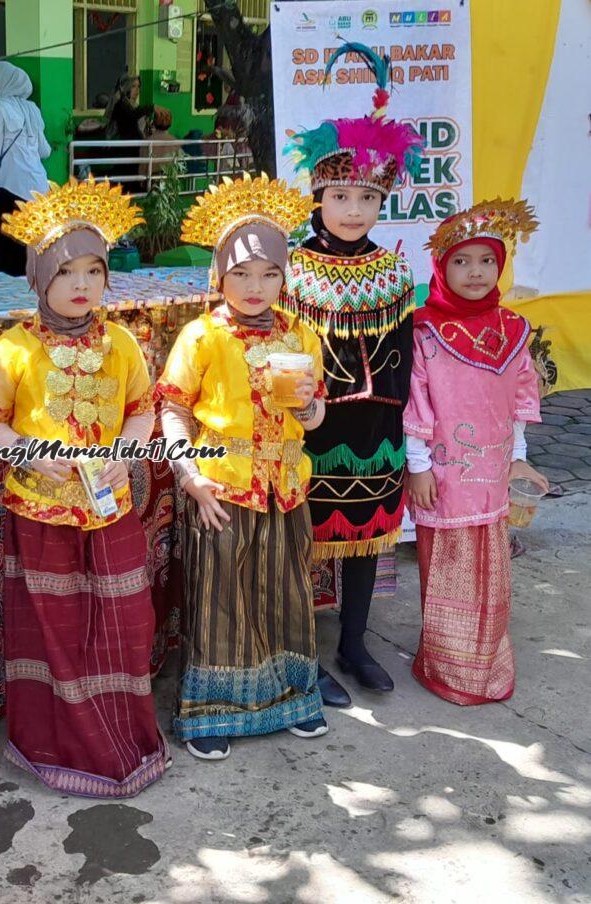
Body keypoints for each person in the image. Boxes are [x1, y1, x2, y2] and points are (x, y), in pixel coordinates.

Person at [0, 176, 170, 797]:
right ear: (38, 277)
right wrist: (32, 452)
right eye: (65, 272)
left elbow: (142, 408)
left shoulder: (123, 343)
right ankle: (55, 746)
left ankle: (120, 739)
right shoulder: (13, 349)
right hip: (43, 512)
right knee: (53, 626)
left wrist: (125, 452)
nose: (81, 285)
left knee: (122, 621)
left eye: (93, 271)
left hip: (111, 509)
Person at [156, 175, 328, 760]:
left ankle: (292, 700)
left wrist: (309, 407)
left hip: (284, 489)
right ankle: (209, 714)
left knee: (287, 596)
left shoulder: (300, 331)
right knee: (221, 603)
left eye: (270, 274)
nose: (256, 287)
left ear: (285, 276)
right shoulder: (201, 336)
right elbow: (174, 411)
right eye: (242, 274)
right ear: (219, 275)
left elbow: (317, 409)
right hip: (220, 491)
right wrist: (189, 477)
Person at [281, 44, 425, 706]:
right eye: (341, 195)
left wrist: (403, 427)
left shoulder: (395, 272)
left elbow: (406, 354)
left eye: (367, 197)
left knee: (369, 541)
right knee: (299, 543)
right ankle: (299, 654)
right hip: (308, 429)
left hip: (377, 429)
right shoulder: (288, 269)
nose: (354, 210)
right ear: (319, 195)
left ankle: (355, 644)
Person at [405, 199, 547, 705]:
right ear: (441, 268)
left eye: (487, 260)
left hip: (491, 474)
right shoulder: (424, 329)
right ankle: (448, 665)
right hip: (443, 476)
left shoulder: (513, 328)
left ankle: (486, 661)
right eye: (462, 261)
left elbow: (519, 398)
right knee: (446, 570)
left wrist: (518, 456)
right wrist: (418, 466)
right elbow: (416, 398)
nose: (476, 272)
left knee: (492, 572)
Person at [0, 61, 51, 276]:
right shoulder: (32, 109)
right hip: (38, 191)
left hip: (8, 192)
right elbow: (44, 150)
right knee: (29, 252)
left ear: (2, 82)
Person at [104, 75, 154, 192]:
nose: (137, 90)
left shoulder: (133, 105)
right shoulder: (121, 105)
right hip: (124, 152)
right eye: (133, 87)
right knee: (126, 186)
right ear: (125, 88)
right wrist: (151, 107)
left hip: (135, 152)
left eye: (138, 87)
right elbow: (131, 117)